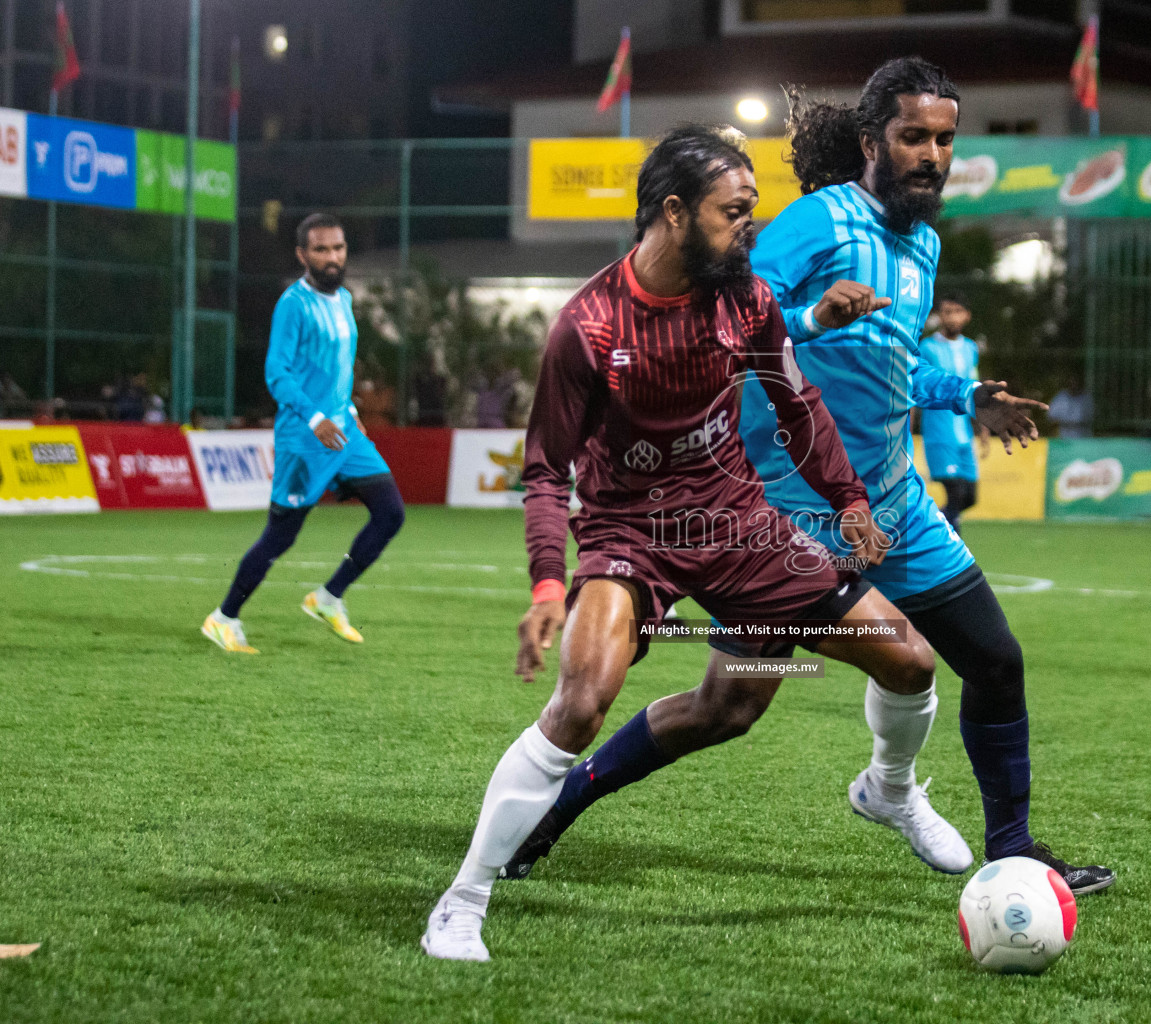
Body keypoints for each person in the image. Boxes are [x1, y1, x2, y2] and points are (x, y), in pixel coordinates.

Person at [499, 58, 1115, 896]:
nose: (932, 154)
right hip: (788, 511)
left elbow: (891, 367)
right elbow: (736, 325)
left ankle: (998, 842)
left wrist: (964, 393)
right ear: (872, 141)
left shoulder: (924, 243)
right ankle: (553, 807)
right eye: (913, 137)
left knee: (993, 660)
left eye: (944, 139)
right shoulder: (816, 225)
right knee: (727, 710)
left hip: (890, 501)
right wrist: (815, 319)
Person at [421, 124, 958, 962]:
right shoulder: (588, 328)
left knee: (909, 662)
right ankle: (462, 901)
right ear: (673, 213)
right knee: (581, 701)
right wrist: (546, 586)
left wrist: (847, 500)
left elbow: (797, 403)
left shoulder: (744, 297)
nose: (750, 229)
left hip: (738, 520)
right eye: (733, 213)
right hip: (628, 531)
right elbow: (543, 474)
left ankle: (888, 791)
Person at [201, 213, 405, 654]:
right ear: (302, 255)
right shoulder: (293, 304)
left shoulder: (345, 299)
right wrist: (316, 418)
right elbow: (277, 372)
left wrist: (347, 408)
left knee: (390, 512)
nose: (332, 258)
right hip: (304, 440)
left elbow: (337, 368)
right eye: (321, 250)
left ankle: (328, 597)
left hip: (344, 433)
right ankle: (223, 618)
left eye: (338, 248)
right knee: (281, 536)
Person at [919, 293, 984, 533]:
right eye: (946, 311)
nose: (951, 317)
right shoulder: (928, 347)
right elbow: (917, 387)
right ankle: (951, 549)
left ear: (966, 316)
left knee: (970, 497)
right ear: (939, 315)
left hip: (964, 434)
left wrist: (982, 427)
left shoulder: (970, 348)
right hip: (938, 432)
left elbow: (975, 390)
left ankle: (927, 528)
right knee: (955, 493)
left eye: (957, 311)